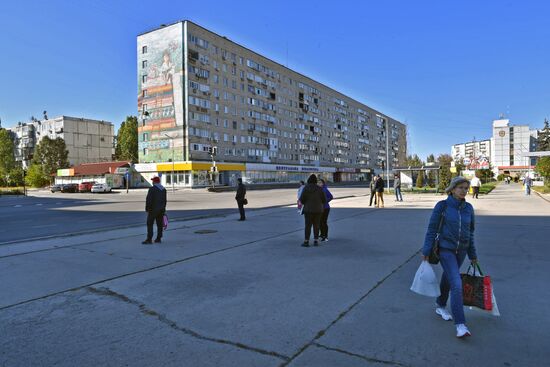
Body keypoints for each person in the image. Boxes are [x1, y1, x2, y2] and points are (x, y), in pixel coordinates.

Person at [422, 176, 478, 338]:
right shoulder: (443, 206)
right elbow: (432, 229)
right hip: (445, 250)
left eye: (466, 188)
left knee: (448, 277)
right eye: (460, 187)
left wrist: (472, 254)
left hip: (461, 251)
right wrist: (426, 250)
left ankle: (440, 304)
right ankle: (461, 325)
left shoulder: (468, 208)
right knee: (456, 283)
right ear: (452, 189)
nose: (464, 191)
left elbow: (470, 233)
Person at [299, 174, 327, 247]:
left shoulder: (305, 188)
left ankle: (306, 241)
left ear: (308, 180)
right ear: (315, 181)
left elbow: (301, 199)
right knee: (316, 225)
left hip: (308, 210)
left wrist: (306, 202)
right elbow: (324, 200)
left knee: (307, 226)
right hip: (318, 210)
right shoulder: (320, 189)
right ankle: (316, 241)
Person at [142, 176, 167, 244]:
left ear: (155, 182)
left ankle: (149, 239)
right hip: (161, 210)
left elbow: (149, 200)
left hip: (153, 210)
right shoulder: (163, 189)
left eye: (153, 181)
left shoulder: (152, 189)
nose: (152, 182)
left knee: (149, 224)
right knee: (159, 224)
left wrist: (147, 208)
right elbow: (165, 201)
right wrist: (163, 209)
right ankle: (158, 238)